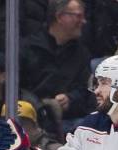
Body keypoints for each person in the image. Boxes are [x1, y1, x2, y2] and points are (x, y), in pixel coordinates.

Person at [19, 0, 93, 128]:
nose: (84, 21)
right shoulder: (28, 48)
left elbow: (86, 90)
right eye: (78, 16)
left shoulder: (82, 53)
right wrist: (42, 105)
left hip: (71, 121)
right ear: (59, 17)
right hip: (33, 120)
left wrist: (70, 99)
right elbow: (18, 88)